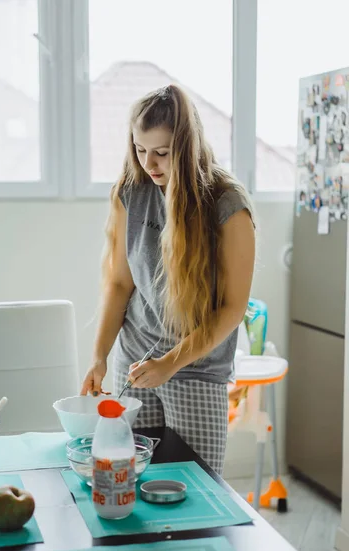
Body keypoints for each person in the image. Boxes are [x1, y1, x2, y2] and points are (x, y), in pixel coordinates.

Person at [81, 84, 255, 474]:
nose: (149, 164)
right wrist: (99, 357)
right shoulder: (131, 192)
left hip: (196, 368)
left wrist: (170, 363)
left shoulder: (227, 205)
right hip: (136, 361)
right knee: (130, 482)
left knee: (196, 489)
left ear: (188, 147)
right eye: (140, 150)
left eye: (162, 152)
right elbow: (119, 283)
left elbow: (232, 308)